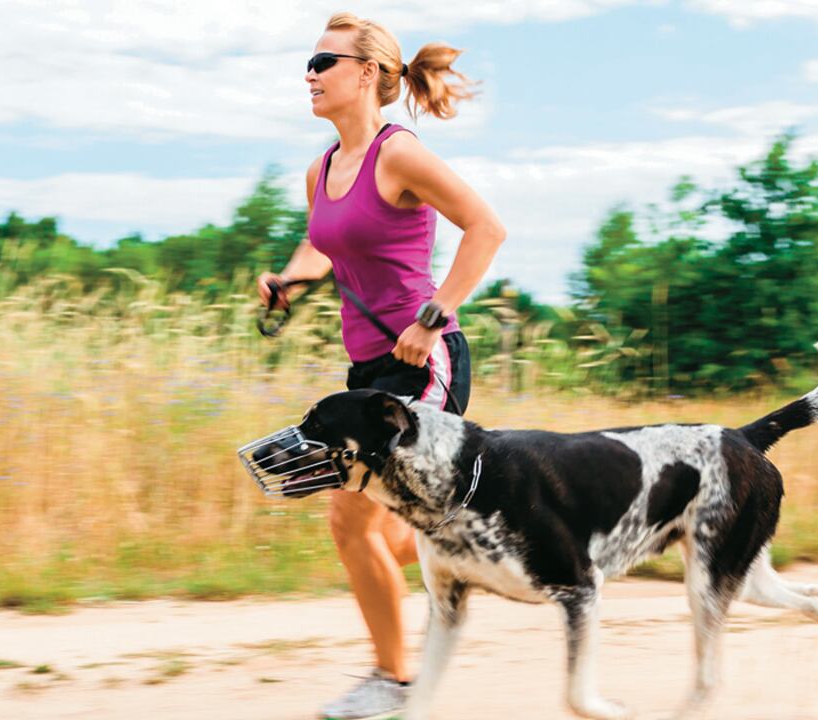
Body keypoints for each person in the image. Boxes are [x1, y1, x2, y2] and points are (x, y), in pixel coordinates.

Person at [255, 11, 506, 720]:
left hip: (423, 361)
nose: (309, 73)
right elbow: (325, 246)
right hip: (367, 367)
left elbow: (486, 227)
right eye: (309, 63)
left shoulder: (399, 155)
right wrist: (289, 280)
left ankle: (392, 684)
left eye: (322, 61)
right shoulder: (322, 167)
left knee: (348, 519)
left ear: (366, 73)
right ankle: (463, 547)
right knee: (380, 524)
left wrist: (434, 317)